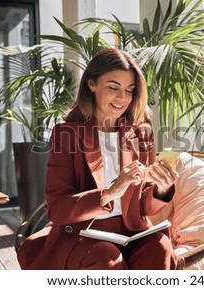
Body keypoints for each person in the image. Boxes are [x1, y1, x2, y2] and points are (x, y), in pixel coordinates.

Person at [17, 48, 179, 270]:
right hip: (82, 234)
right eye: (113, 87)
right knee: (106, 256)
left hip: (131, 232)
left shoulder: (143, 134)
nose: (122, 98)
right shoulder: (66, 135)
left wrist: (161, 189)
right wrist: (109, 193)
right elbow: (57, 208)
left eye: (129, 90)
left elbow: (145, 207)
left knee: (160, 248)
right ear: (92, 84)